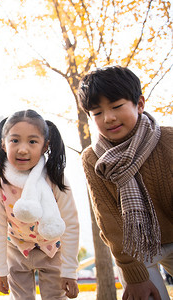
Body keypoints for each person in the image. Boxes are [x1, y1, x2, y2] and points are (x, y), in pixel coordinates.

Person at [78, 66, 173, 300]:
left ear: (139, 104)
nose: (108, 117)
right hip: (136, 249)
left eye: (117, 106)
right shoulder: (92, 158)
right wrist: (133, 274)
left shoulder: (168, 140)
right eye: (97, 113)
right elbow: (108, 220)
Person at [0, 110, 80, 300]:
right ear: (3, 144)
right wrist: (1, 270)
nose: (23, 149)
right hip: (17, 249)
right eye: (15, 140)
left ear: (45, 145)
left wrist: (70, 271)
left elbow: (70, 224)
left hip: (52, 248)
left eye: (32, 141)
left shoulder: (55, 179)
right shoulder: (0, 183)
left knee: (56, 297)